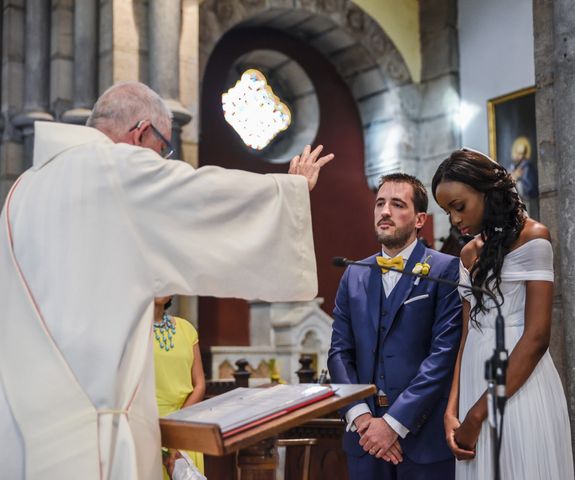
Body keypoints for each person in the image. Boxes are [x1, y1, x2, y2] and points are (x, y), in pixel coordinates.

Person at [0, 81, 333, 479]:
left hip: (18, 421)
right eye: (163, 150)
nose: (161, 161)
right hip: (91, 436)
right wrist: (290, 191)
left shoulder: (23, 188)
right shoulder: (117, 167)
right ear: (141, 132)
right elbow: (203, 195)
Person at [432, 148, 573, 479]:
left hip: (516, 385)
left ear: (486, 191)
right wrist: (452, 410)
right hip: (472, 385)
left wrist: (478, 414)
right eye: (447, 211)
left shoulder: (533, 237)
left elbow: (537, 337)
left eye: (459, 206)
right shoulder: (468, 253)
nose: (454, 219)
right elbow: (466, 334)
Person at [328, 173, 462, 479]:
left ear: (419, 219)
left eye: (397, 204)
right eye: (380, 203)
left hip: (422, 439)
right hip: (364, 441)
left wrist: (393, 424)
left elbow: (443, 356)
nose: (384, 211)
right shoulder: (354, 274)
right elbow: (339, 352)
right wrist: (361, 416)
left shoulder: (445, 270)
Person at [152, 296, 205, 479]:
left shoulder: (186, 328)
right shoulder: (132, 333)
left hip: (185, 425)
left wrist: (178, 421)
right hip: (151, 426)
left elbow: (199, 384)